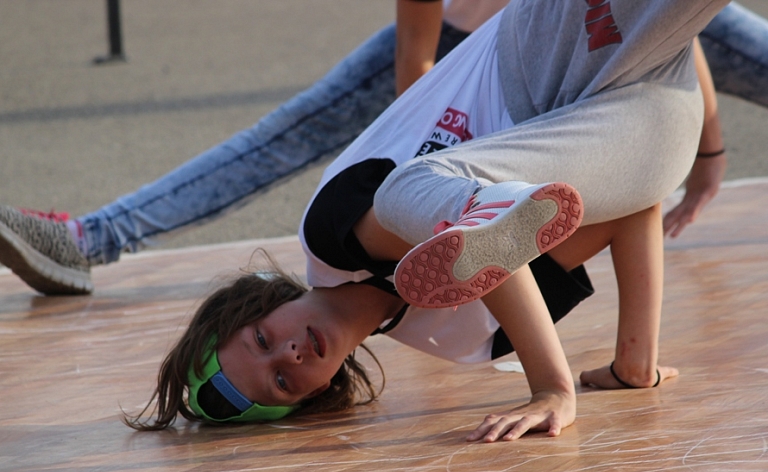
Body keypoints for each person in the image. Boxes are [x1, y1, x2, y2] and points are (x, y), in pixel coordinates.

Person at [126, 0, 727, 442]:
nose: (289, 353)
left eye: (262, 339)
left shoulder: (328, 238)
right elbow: (628, 208)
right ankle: (488, 216)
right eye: (283, 382)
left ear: (262, 304)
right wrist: (633, 366)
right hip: (634, 118)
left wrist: (553, 387)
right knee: (627, 177)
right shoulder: (461, 339)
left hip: (536, 61)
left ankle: (478, 208)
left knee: (404, 196)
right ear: (320, 395)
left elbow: (398, 216)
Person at [0, 1, 765, 295]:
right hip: (477, 56)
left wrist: (707, 152)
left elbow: (652, 45)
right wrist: (467, 173)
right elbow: (416, 75)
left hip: (597, 47)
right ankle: (88, 236)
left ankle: (88, 236)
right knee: (291, 134)